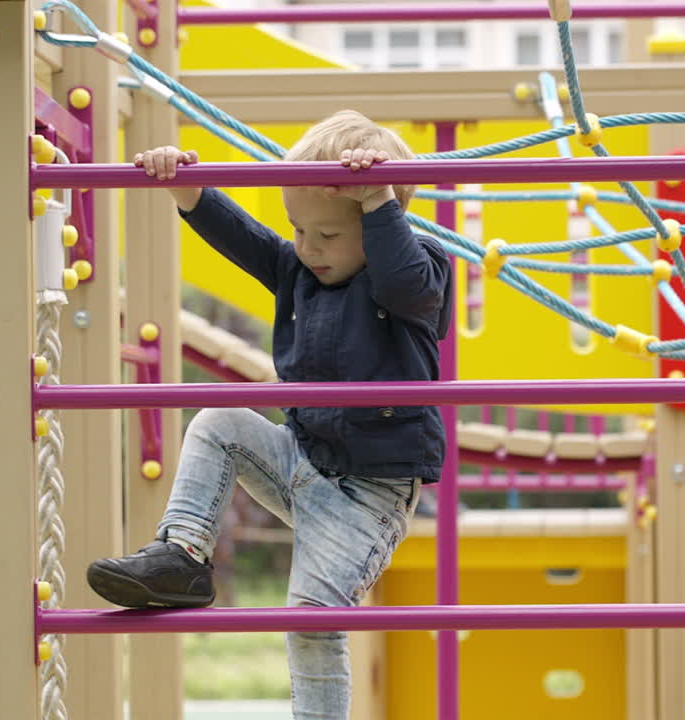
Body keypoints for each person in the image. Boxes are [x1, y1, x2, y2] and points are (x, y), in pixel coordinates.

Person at [87, 110, 451, 718]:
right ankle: (184, 555)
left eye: (328, 236)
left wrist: (380, 201)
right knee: (218, 422)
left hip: (370, 494)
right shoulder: (297, 269)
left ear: (381, 220)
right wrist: (189, 190)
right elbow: (248, 238)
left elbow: (406, 283)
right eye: (299, 230)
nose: (307, 249)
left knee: (310, 622)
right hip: (301, 460)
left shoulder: (417, 269)